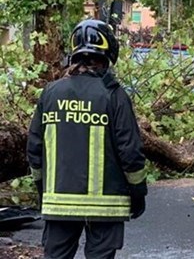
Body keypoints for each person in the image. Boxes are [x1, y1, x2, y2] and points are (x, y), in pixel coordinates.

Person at [27, 19, 147, 259]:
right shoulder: (114, 95)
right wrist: (138, 191)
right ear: (108, 53)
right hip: (106, 206)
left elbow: (34, 149)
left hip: (58, 204)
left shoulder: (51, 93)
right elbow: (130, 152)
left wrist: (43, 190)